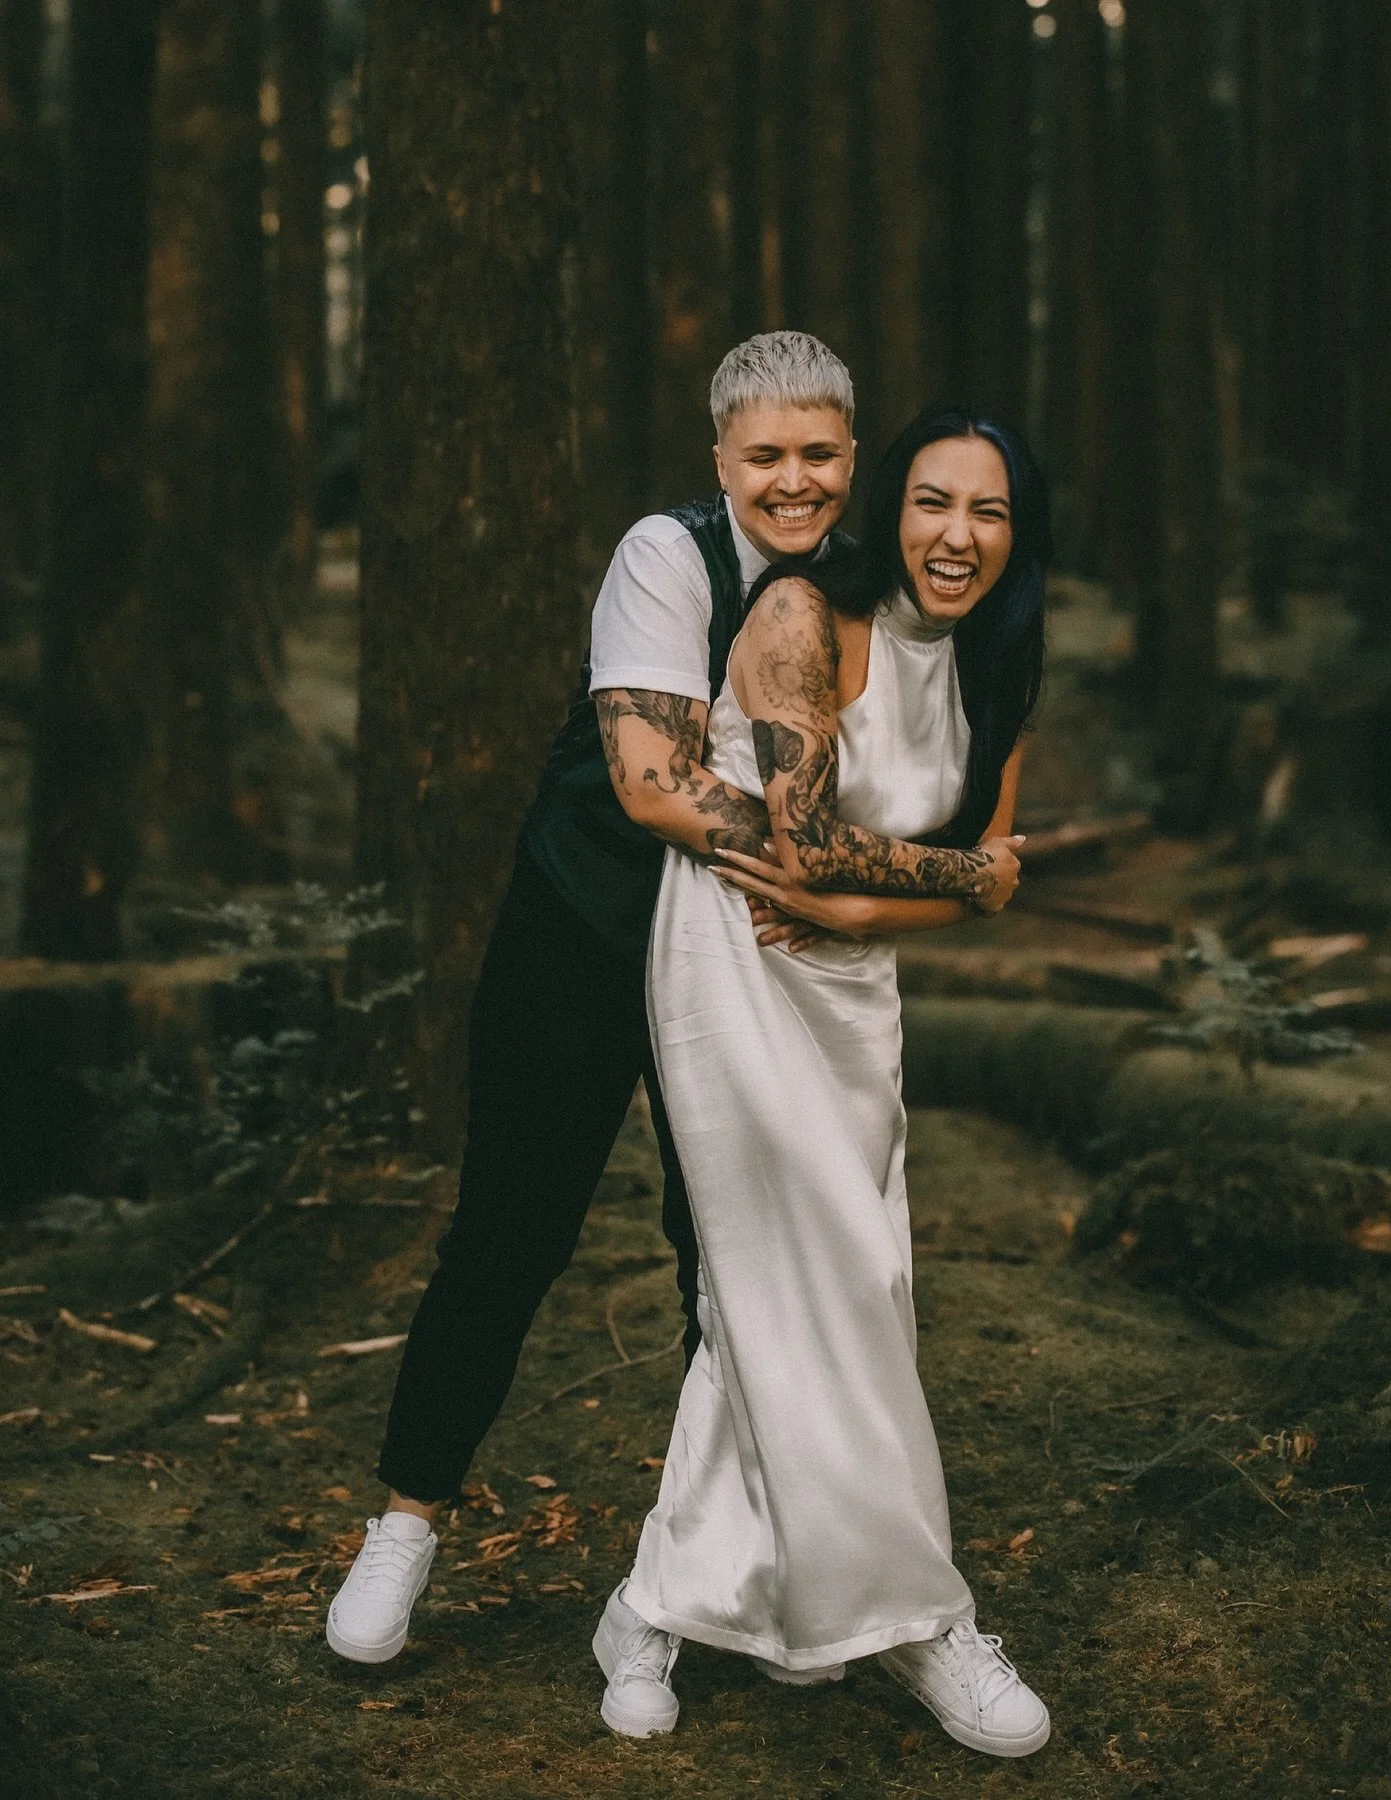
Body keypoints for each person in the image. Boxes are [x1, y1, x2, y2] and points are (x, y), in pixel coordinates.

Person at [326, 338, 1018, 1665]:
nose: (795, 482)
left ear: (854, 458)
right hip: (580, 934)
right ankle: (406, 1521)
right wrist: (904, 871)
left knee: (738, 1260)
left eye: (821, 454)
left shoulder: (871, 586)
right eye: (767, 455)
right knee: (514, 1229)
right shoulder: (668, 555)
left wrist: (863, 871)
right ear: (720, 457)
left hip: (744, 968)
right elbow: (650, 785)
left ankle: (717, 1575)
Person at [590, 403, 1050, 1759]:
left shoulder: (1001, 666)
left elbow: (921, 887)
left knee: (838, 1281)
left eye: (988, 511)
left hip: (853, 980)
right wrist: (965, 879)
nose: (955, 535)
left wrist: (878, 918)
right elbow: (804, 844)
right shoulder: (800, 613)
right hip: (732, 953)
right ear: (888, 512)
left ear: (1019, 538)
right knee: (820, 1273)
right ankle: (925, 1619)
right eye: (930, 502)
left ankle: (657, 1603)